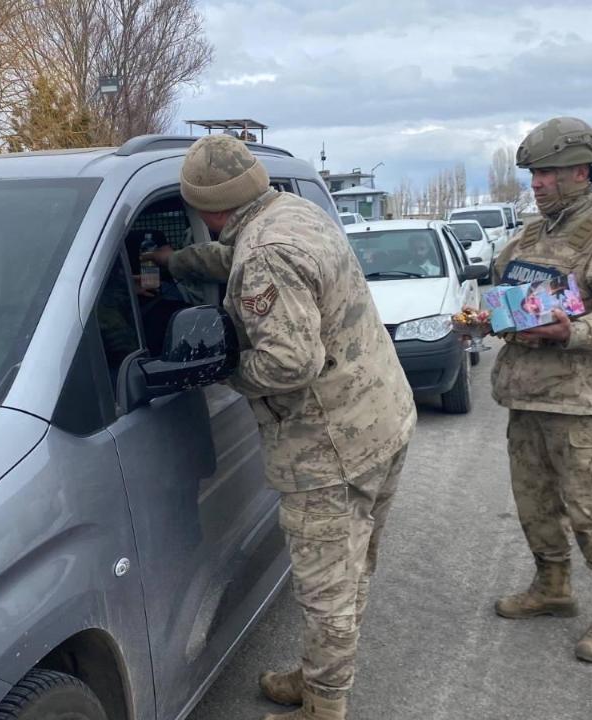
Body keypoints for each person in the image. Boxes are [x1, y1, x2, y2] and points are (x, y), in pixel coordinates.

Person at [145, 135, 415, 720]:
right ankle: (321, 676)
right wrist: (177, 261)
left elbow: (289, 365)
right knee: (351, 569)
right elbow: (236, 257)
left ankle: (324, 707)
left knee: (326, 590)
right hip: (378, 418)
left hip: (329, 446)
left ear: (203, 207)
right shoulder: (290, 212)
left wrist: (222, 372)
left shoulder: (266, 252)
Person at [490, 117, 592, 664]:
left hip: (580, 403)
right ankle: (552, 588)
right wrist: (479, 319)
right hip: (525, 396)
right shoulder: (532, 235)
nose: (538, 183)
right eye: (535, 174)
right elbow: (506, 300)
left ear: (582, 170)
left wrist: (571, 331)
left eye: (549, 173)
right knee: (535, 504)